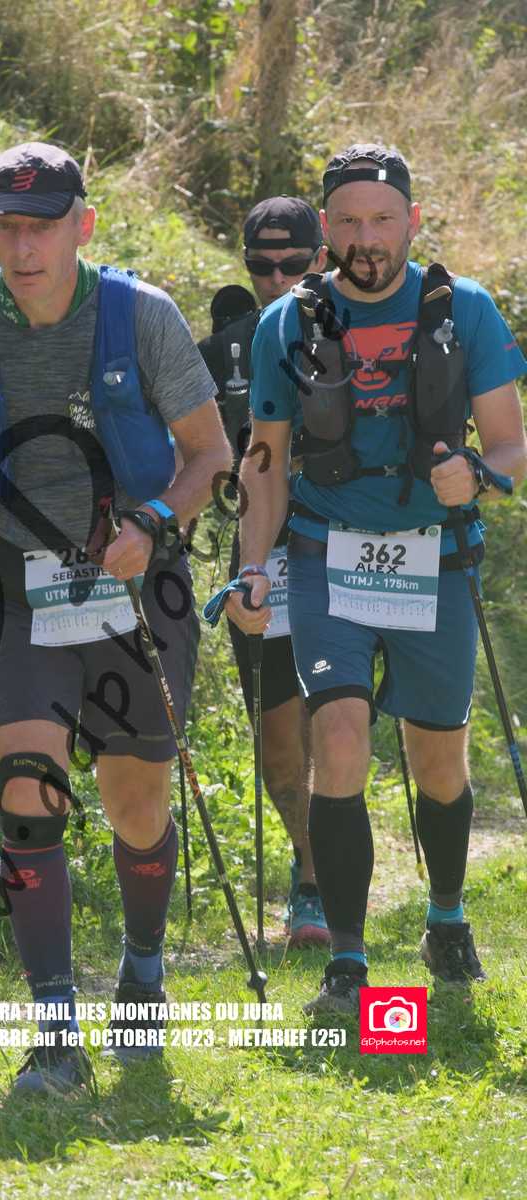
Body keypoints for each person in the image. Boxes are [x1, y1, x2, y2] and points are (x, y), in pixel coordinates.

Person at [0, 142, 230, 1090]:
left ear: (82, 226)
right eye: (5, 226)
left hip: (135, 580)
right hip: (12, 578)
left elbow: (210, 455)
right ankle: (55, 1032)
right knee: (26, 789)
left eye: (41, 227)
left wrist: (155, 521)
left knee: (135, 805)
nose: (23, 246)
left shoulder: (143, 315)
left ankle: (143, 972)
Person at [229, 142, 527, 1013]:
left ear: (413, 222)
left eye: (384, 220)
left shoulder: (464, 309)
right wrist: (253, 569)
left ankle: (446, 914)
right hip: (327, 556)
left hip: (435, 557)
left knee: (439, 762)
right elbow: (264, 461)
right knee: (340, 738)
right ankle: (348, 962)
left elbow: (511, 445)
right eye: (351, 221)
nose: (368, 238)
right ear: (327, 227)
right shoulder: (288, 322)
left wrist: (479, 476)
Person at [197, 197, 329, 946]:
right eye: (261, 266)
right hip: (263, 561)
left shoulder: (362, 328)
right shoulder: (223, 350)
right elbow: (190, 452)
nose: (277, 278)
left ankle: (326, 880)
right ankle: (311, 871)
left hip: (352, 551)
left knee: (337, 725)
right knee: (279, 742)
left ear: (321, 258)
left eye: (292, 264)